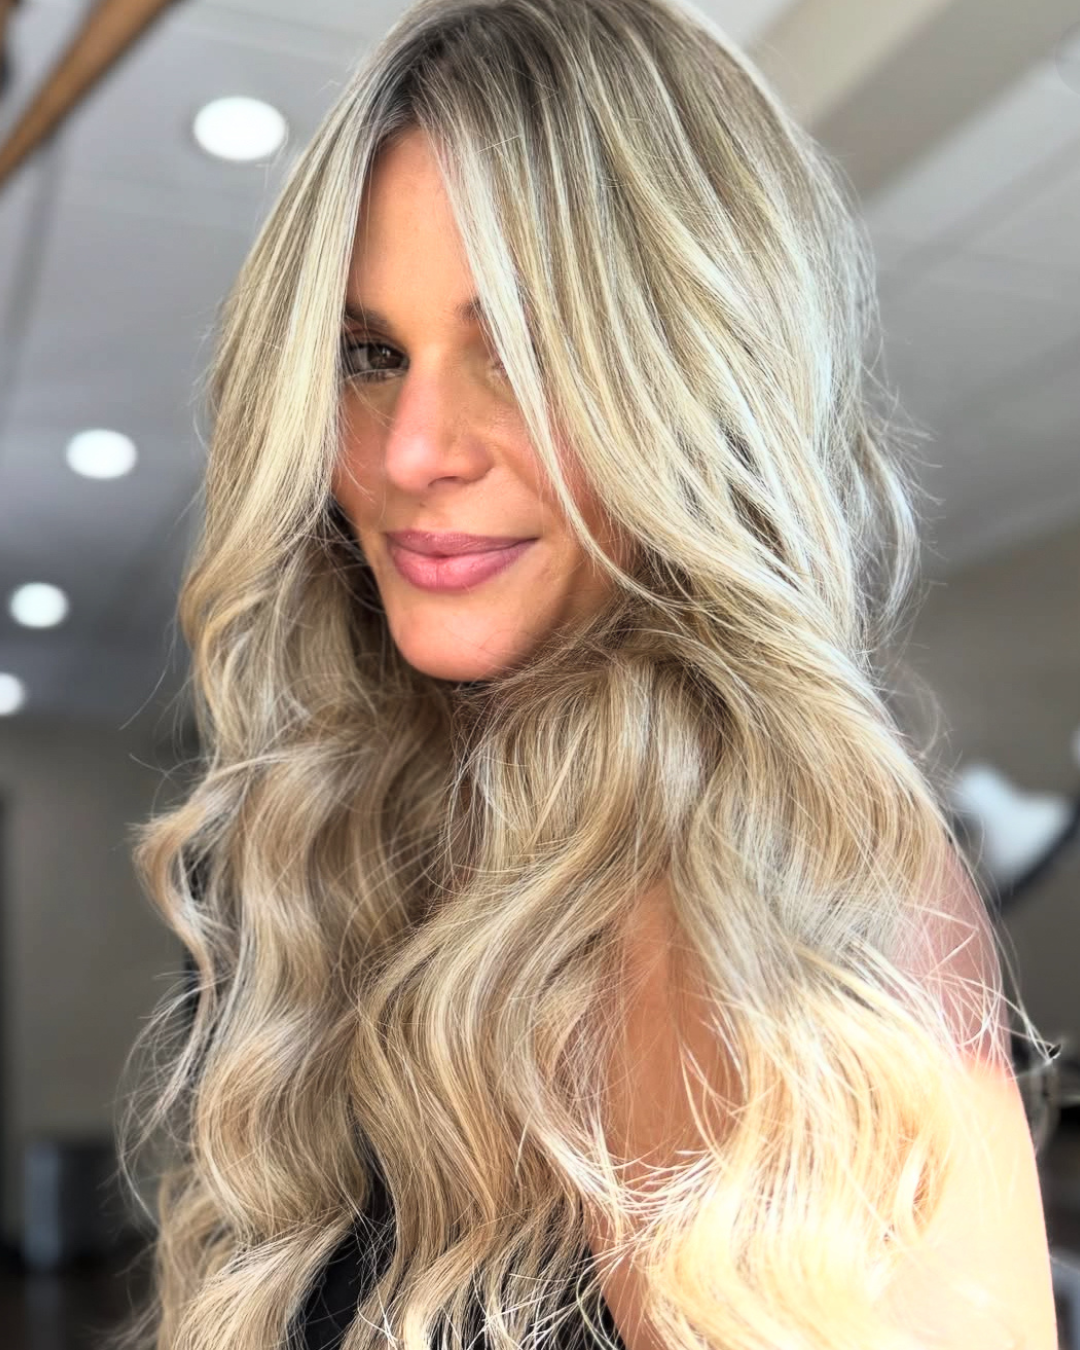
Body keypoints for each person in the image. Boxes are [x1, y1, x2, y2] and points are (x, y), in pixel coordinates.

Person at [108, 1, 1059, 1348]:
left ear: (690, 383)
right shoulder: (358, 834)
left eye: (527, 350)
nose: (414, 448)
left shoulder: (766, 869)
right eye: (372, 353)